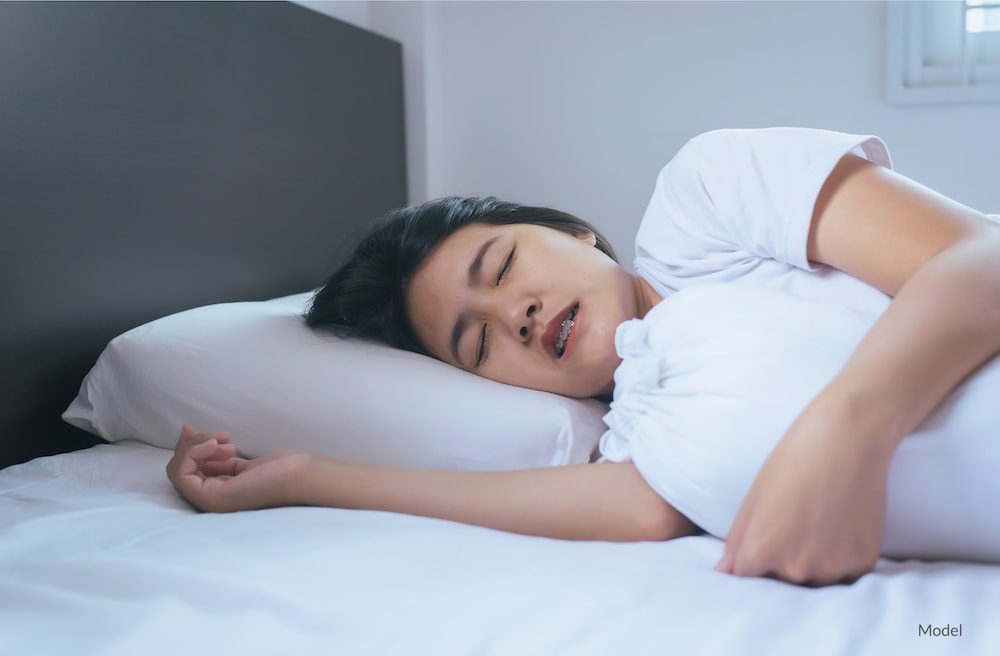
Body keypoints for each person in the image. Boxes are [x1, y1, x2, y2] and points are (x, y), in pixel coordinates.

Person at [166, 127, 1000, 587]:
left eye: (500, 270)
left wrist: (846, 432)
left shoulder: (704, 205)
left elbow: (980, 256)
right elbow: (646, 514)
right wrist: (305, 479)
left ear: (571, 232)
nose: (515, 316)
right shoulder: (642, 443)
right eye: (479, 342)